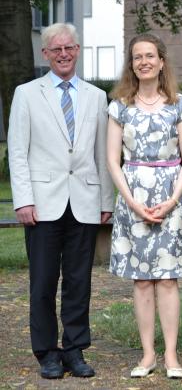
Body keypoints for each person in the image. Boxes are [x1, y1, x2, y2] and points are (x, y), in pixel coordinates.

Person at [7, 22, 113, 379]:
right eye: (56, 49)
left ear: (77, 50)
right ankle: (47, 353)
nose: (63, 54)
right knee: (42, 283)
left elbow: (102, 153)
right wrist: (23, 200)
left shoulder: (96, 96)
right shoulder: (26, 94)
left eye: (69, 48)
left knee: (79, 282)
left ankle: (74, 350)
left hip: (85, 201)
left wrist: (106, 200)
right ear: (45, 53)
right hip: (42, 204)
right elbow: (17, 151)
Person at [106, 33, 182, 379]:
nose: (143, 62)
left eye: (149, 56)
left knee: (168, 280)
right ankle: (147, 355)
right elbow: (113, 161)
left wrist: (172, 199)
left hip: (171, 197)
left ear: (161, 61)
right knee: (142, 281)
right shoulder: (120, 106)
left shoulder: (178, 104)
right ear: (131, 64)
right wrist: (131, 202)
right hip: (133, 200)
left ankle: (171, 354)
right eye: (137, 57)